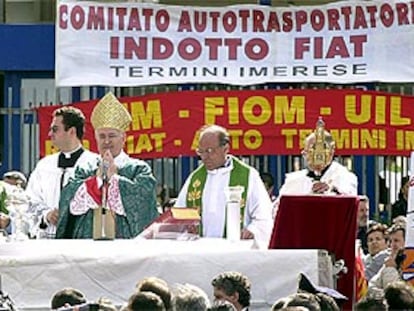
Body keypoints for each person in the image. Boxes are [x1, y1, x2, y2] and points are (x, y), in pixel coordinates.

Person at [56, 92, 158, 239]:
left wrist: (115, 180)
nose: (106, 141)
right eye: (102, 136)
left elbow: (144, 204)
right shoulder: (85, 169)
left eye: (112, 136)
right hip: (88, 241)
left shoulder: (138, 169)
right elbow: (69, 200)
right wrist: (96, 181)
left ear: (123, 138)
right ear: (95, 138)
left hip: (125, 243)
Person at [174, 124, 273, 244]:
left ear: (225, 148)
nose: (205, 157)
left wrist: (252, 230)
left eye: (210, 151)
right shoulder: (195, 178)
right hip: (201, 252)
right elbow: (179, 214)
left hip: (234, 252)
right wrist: (186, 225)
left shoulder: (248, 176)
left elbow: (264, 215)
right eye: (201, 151)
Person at [25, 106, 99, 238]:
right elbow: (30, 200)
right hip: (48, 239)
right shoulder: (44, 166)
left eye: (55, 129)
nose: (50, 134)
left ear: (71, 131)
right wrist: (47, 215)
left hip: (81, 241)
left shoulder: (94, 164)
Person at [274, 117, 358, 217]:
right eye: (311, 150)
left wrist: (331, 190)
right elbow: (276, 211)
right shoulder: (294, 180)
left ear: (331, 152)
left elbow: (350, 200)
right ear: (304, 153)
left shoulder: (344, 176)